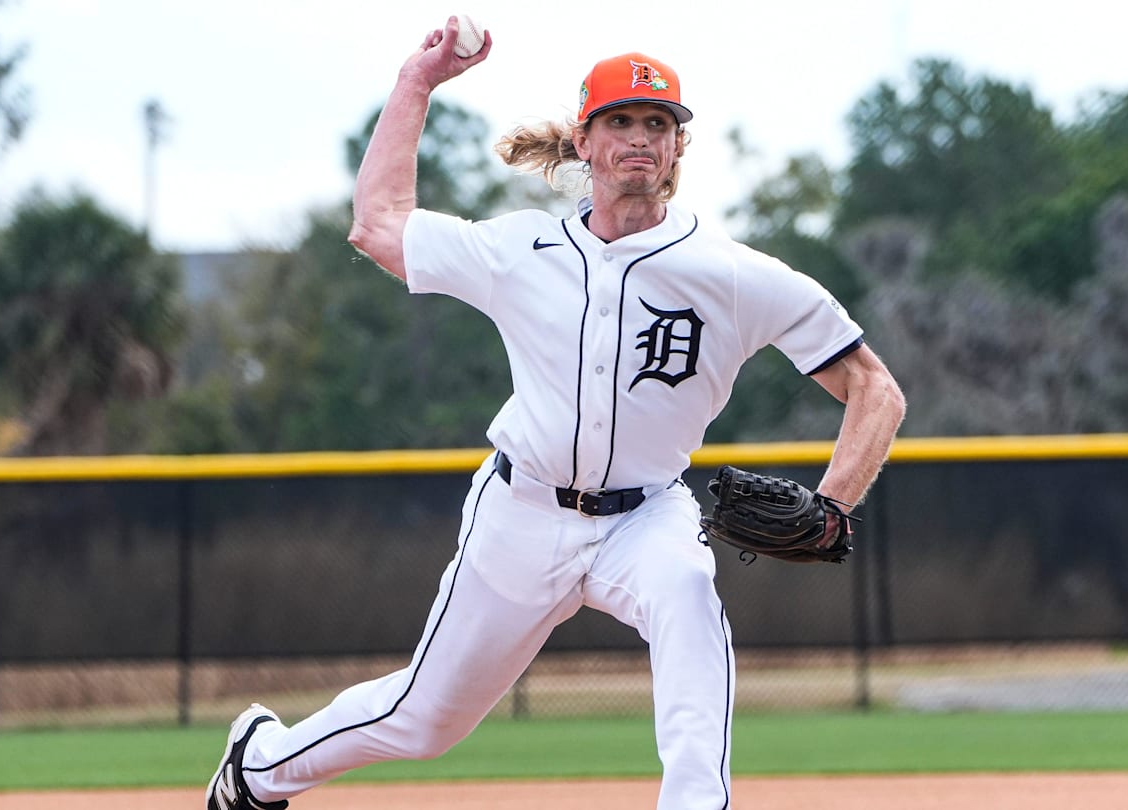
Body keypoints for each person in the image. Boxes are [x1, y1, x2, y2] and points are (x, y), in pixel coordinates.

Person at [206, 16, 905, 810]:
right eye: (619, 121)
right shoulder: (518, 252)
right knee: (425, 719)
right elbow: (378, 226)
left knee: (685, 591)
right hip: (522, 511)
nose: (639, 137)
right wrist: (417, 83)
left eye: (657, 123)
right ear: (583, 141)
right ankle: (261, 765)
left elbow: (874, 388)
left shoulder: (735, 275)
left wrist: (834, 505)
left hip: (646, 516)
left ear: (677, 148)